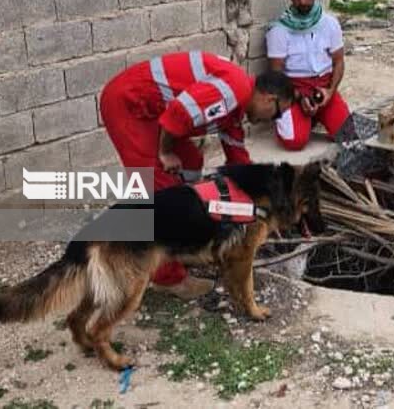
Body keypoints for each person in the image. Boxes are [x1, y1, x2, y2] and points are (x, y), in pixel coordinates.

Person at [100, 50, 295, 299]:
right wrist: (165, 152)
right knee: (157, 187)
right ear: (269, 99)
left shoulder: (235, 109)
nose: (274, 120)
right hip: (130, 104)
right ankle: (168, 278)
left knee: (192, 161)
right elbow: (177, 114)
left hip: (155, 110)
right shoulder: (232, 91)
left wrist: (260, 198)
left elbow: (237, 157)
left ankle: (183, 244)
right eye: (278, 114)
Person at [266, 0, 351, 151]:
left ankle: (318, 114)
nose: (302, 1)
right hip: (295, 88)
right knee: (294, 142)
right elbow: (276, 76)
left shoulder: (330, 23)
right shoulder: (279, 31)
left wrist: (330, 92)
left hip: (324, 86)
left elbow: (338, 62)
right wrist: (299, 97)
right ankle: (298, 117)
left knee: (348, 137)